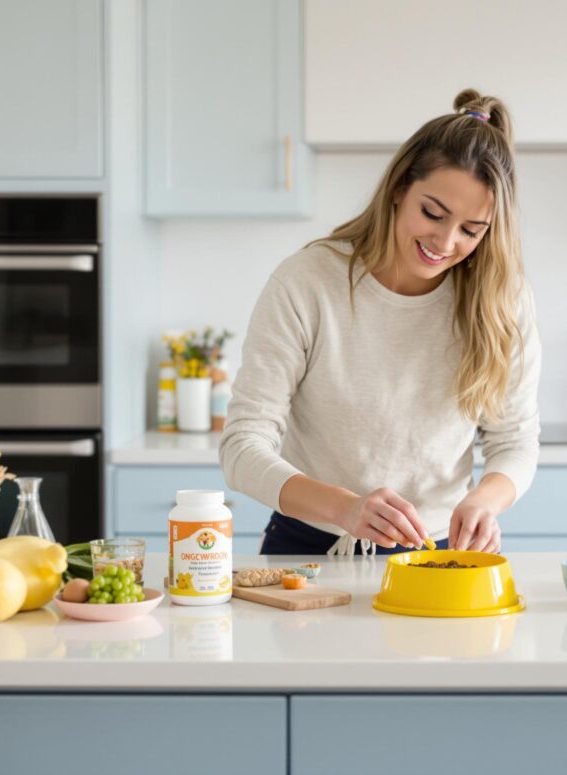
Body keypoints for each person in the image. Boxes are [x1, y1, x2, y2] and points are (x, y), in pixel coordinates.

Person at [219, 89, 541, 556]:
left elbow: (516, 441)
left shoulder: (502, 299)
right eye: (432, 212)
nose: (445, 242)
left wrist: (484, 501)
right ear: (397, 189)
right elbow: (242, 449)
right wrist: (346, 508)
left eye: (472, 230)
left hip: (441, 554)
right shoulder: (308, 282)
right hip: (311, 549)